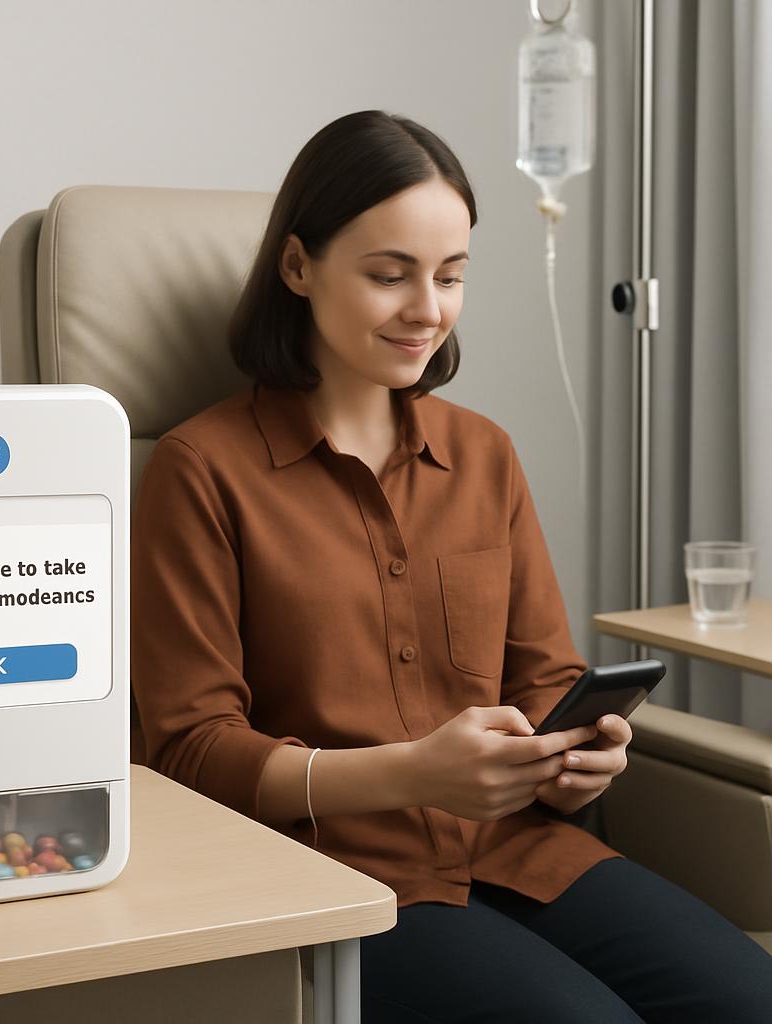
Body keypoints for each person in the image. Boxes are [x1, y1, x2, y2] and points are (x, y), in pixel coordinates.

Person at [130, 110, 772, 1022]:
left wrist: (581, 754)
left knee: (751, 998)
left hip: (520, 850)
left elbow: (546, 672)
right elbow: (190, 754)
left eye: (450, 275)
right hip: (338, 879)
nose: (427, 309)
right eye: (390, 275)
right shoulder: (200, 470)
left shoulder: (485, 455)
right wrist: (413, 773)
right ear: (299, 266)